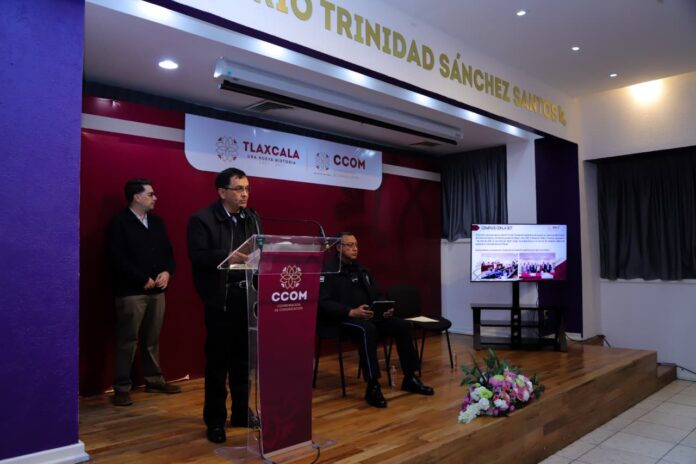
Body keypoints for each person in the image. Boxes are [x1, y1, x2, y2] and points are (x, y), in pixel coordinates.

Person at [187, 167, 262, 444]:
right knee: (218, 363)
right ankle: (216, 420)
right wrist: (227, 256)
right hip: (221, 299)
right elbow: (198, 256)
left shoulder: (252, 218)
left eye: (247, 189)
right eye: (238, 189)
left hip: (248, 298)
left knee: (243, 361)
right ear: (222, 192)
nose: (244, 194)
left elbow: (259, 249)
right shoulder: (202, 219)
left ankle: (241, 413)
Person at [318, 231, 434, 408]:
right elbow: (324, 303)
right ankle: (373, 386)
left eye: (356, 245)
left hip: (368, 316)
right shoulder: (328, 271)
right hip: (341, 319)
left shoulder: (362, 270)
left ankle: (410, 377)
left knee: (402, 325)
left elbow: (377, 295)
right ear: (339, 247)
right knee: (367, 330)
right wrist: (351, 312)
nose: (355, 249)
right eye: (350, 245)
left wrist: (384, 308)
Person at [107, 178, 180, 407]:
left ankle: (154, 381)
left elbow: (168, 252)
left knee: (152, 339)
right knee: (128, 341)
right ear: (136, 197)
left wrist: (167, 272)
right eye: (150, 194)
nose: (155, 198)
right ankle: (121, 388)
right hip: (131, 293)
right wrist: (141, 278)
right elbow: (116, 257)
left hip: (157, 292)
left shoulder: (157, 222)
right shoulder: (119, 223)